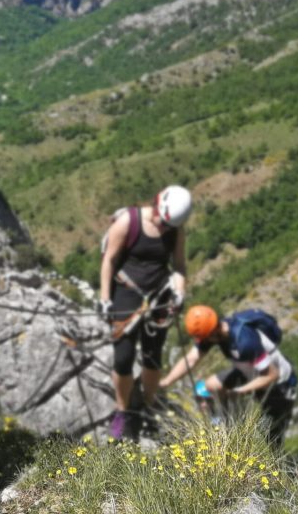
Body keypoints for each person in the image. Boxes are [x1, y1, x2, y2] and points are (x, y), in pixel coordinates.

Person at [98, 185, 191, 439]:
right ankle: (122, 410)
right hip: (126, 295)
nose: (163, 226)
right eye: (162, 220)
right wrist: (105, 298)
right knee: (123, 358)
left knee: (153, 357)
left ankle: (148, 407)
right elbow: (109, 259)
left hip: (159, 298)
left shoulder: (175, 229)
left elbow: (180, 266)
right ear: (157, 203)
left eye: (168, 224)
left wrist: (179, 292)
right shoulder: (129, 221)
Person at [160, 305, 298, 447]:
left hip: (280, 386)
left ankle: (267, 459)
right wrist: (166, 382)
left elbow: (271, 375)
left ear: (213, 331)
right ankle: (228, 431)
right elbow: (191, 359)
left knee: (270, 440)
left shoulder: (244, 341)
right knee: (211, 386)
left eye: (204, 338)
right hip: (250, 372)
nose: (204, 342)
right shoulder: (217, 332)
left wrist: (240, 391)